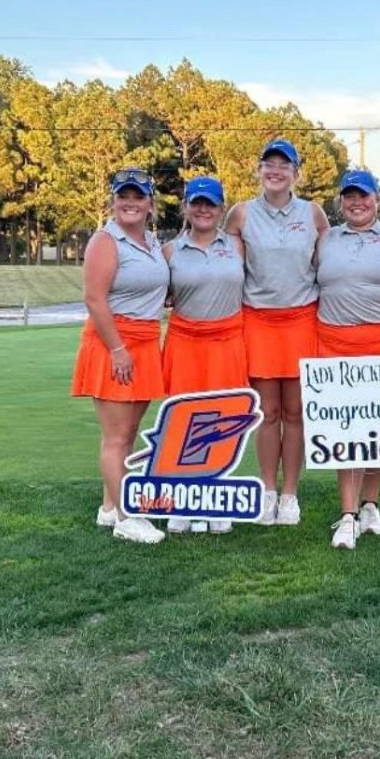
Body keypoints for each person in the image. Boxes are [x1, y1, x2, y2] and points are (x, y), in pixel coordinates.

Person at [225, 139, 328, 525]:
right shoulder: (241, 214)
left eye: (284, 165)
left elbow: (324, 264)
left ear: (296, 173)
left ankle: (290, 495)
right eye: (269, 164)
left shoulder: (314, 214)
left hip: (302, 319)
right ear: (259, 170)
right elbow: (228, 269)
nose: (276, 171)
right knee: (268, 412)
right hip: (259, 320)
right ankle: (268, 489)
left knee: (295, 412)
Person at [314, 168, 380, 549]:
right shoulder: (325, 239)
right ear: (341, 201)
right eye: (349, 196)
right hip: (336, 342)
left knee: (379, 429)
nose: (357, 202)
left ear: (378, 200)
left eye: (365, 196)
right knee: (344, 430)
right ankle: (347, 514)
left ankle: (370, 503)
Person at [71, 168, 169, 545]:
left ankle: (109, 506)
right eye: (123, 196)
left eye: (138, 196)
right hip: (115, 344)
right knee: (116, 436)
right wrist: (117, 349)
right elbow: (94, 298)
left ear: (150, 203)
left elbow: (155, 286)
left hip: (144, 342)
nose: (130, 202)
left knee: (127, 432)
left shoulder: (151, 242)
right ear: (113, 200)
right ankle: (128, 517)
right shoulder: (105, 241)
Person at [161, 174, 246, 536]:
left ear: (221, 208)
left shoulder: (238, 245)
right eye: (196, 203)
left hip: (228, 338)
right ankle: (184, 500)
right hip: (185, 339)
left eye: (210, 203)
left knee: (224, 418)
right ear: (185, 208)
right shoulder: (169, 251)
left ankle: (215, 499)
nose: (203, 210)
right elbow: (159, 295)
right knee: (184, 418)